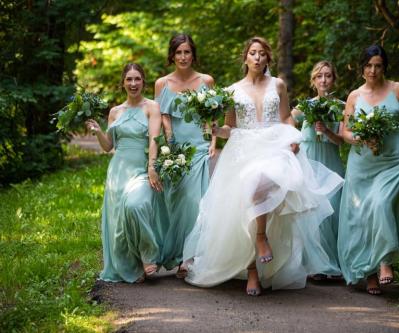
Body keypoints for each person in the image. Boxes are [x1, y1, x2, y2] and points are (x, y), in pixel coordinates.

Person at [182, 37, 344, 296]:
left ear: (268, 59)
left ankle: (261, 238)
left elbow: (286, 117)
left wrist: (294, 138)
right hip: (243, 149)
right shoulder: (232, 89)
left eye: (262, 54)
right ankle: (252, 272)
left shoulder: (278, 85)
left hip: (274, 145)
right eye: (253, 53)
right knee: (241, 204)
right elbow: (230, 127)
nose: (257, 58)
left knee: (260, 183)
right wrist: (215, 130)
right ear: (245, 58)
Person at [338, 45, 399, 295]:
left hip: (393, 161)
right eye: (369, 65)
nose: (373, 70)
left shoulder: (398, 89)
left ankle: (385, 262)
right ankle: (368, 274)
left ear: (384, 67)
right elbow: (345, 133)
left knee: (382, 205)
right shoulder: (354, 96)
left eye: (378, 65)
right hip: (362, 164)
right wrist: (361, 138)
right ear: (362, 68)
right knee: (361, 216)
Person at [86, 63, 168, 283]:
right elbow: (108, 146)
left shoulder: (151, 107)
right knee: (119, 222)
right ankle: (133, 266)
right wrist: (98, 132)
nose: (133, 84)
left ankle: (149, 253)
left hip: (141, 168)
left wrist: (152, 167)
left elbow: (154, 139)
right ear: (123, 82)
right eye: (129, 79)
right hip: (118, 171)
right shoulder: (115, 112)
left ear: (143, 81)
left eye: (137, 79)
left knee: (135, 206)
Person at [154, 34, 216, 277]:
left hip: (199, 147)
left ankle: (189, 257)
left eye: (187, 52)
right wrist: (168, 139)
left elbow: (214, 114)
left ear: (193, 54)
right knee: (175, 201)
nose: (183, 57)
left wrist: (213, 142)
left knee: (194, 201)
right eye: (178, 52)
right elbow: (161, 115)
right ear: (172, 55)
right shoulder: (162, 83)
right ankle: (176, 253)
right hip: (174, 149)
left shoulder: (206, 81)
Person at [291, 60, 345, 280]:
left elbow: (342, 140)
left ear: (334, 79)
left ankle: (332, 263)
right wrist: (292, 141)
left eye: (328, 76)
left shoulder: (341, 106)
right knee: (311, 208)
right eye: (319, 76)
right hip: (309, 159)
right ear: (313, 81)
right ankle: (315, 266)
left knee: (332, 209)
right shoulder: (305, 106)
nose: (324, 80)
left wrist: (327, 131)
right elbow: (286, 121)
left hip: (330, 160)